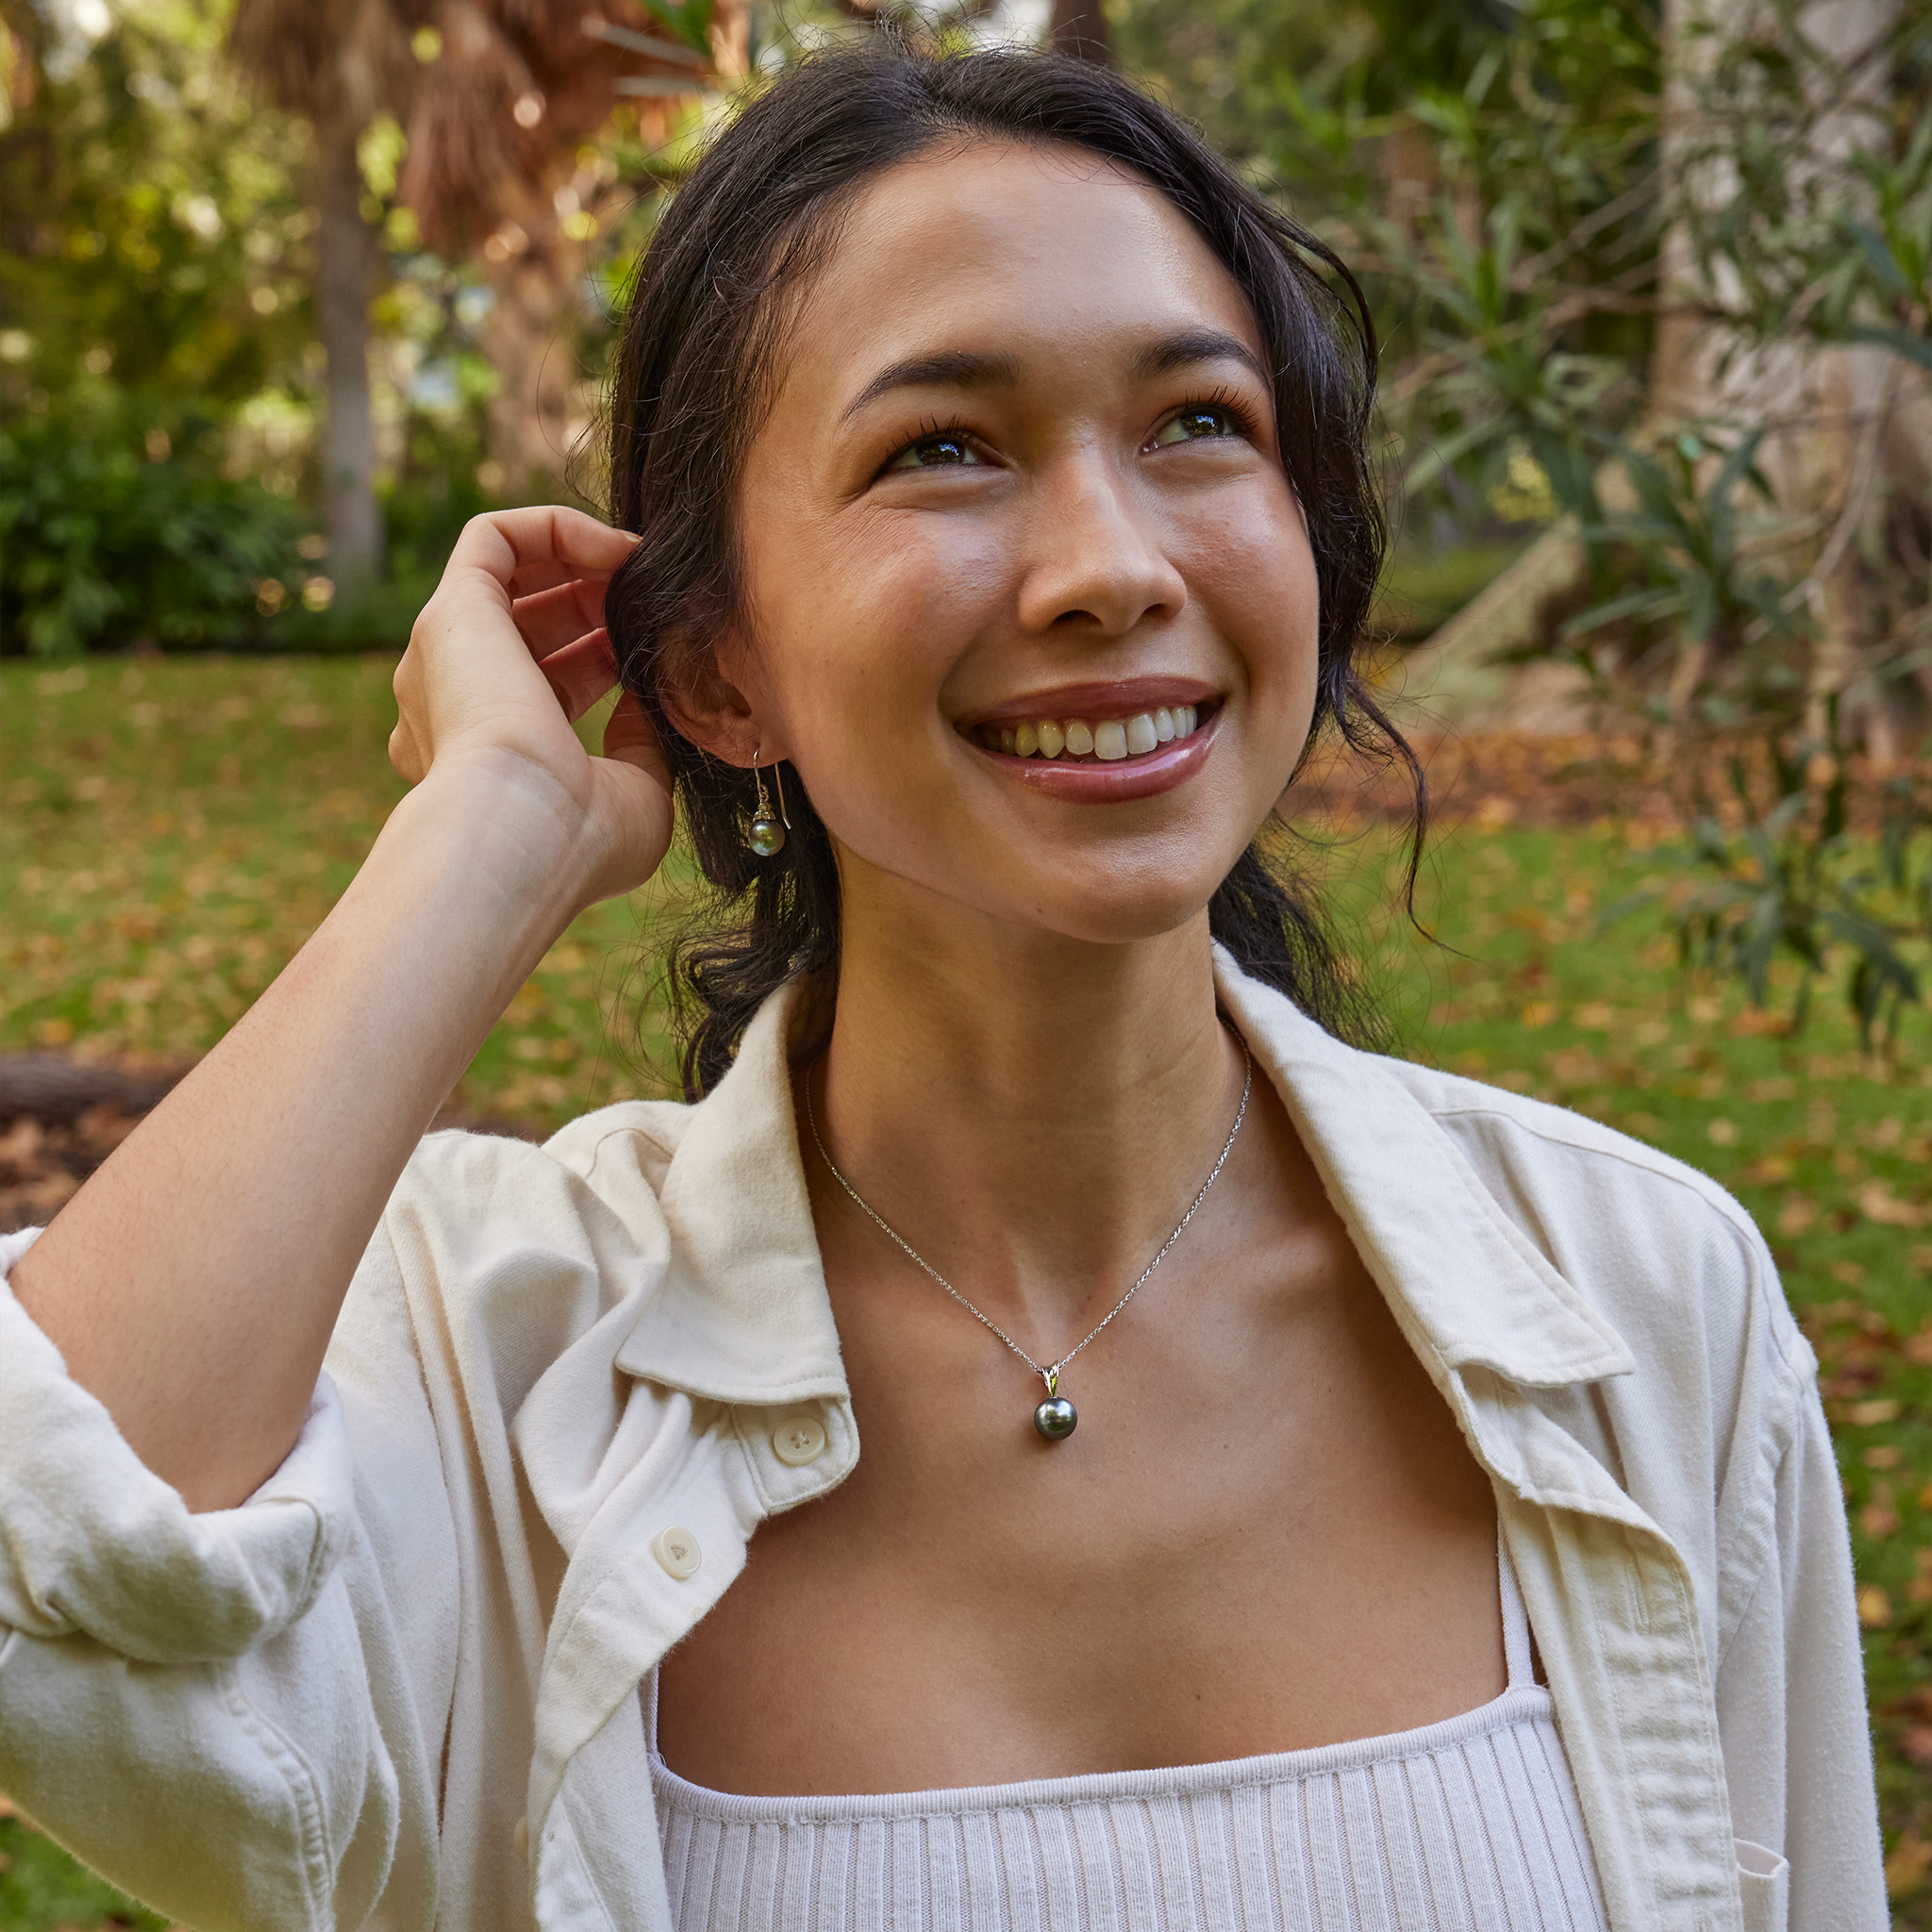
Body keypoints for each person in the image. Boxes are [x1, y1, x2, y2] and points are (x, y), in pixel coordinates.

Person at [0, 43, 1884, 1932]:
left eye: (1198, 423)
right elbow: (46, 1562)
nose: (1110, 565)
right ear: (720, 668)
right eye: (943, 449)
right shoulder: (497, 1355)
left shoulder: (1638, 1305)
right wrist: (482, 835)